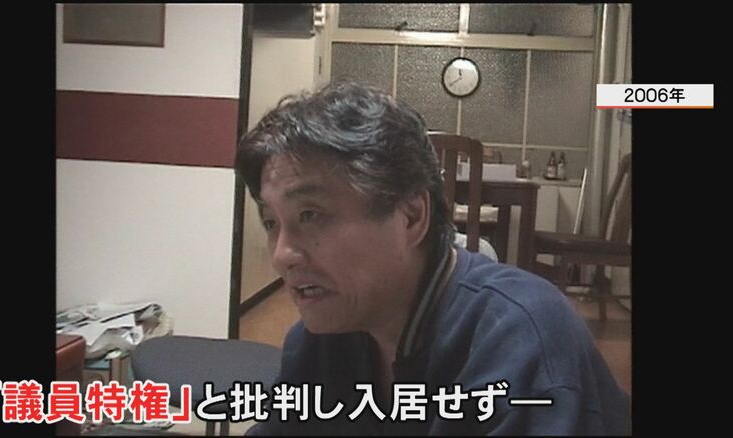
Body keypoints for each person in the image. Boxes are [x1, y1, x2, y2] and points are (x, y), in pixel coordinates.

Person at [234, 81, 629, 435]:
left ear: (411, 216)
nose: (282, 255)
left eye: (310, 215)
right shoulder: (318, 341)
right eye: (271, 222)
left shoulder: (520, 340)